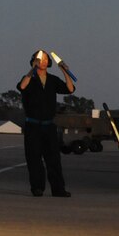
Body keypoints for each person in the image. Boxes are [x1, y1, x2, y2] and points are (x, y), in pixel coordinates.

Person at [17, 50, 75, 197]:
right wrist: (32, 69)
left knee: (54, 158)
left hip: (49, 126)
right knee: (34, 158)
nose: (42, 61)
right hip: (33, 125)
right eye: (39, 59)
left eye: (44, 59)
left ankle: (58, 189)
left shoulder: (53, 80)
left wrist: (64, 70)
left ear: (48, 62)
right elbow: (22, 86)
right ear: (34, 61)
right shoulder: (29, 78)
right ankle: (37, 187)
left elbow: (70, 88)